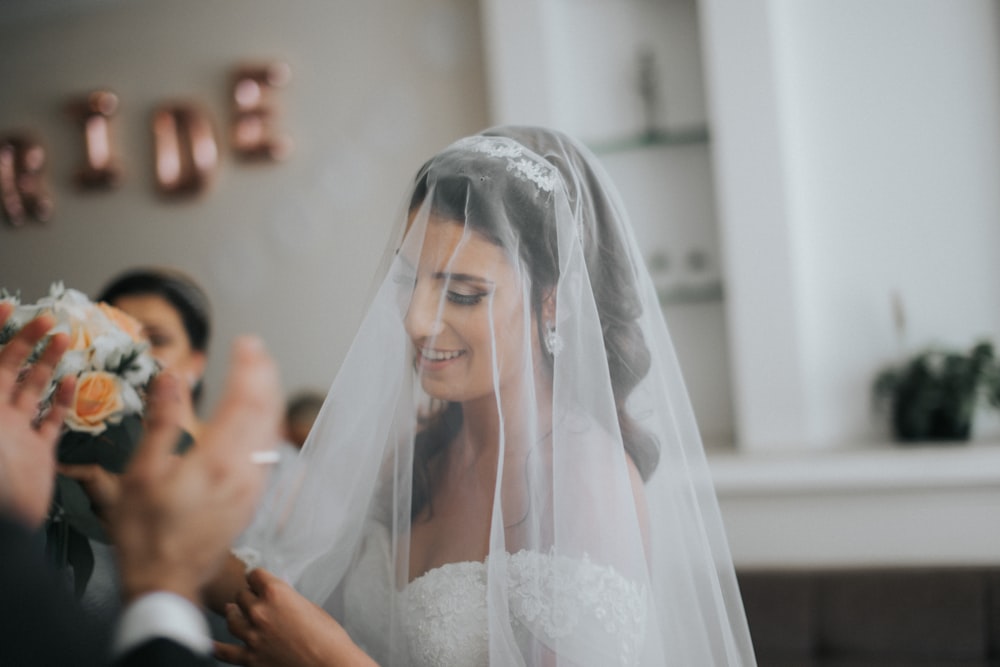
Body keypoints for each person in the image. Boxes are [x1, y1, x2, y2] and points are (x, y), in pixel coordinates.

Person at [214, 126, 756, 665]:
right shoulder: (419, 455)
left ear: (553, 303)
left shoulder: (588, 486)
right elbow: (295, 610)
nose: (416, 319)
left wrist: (328, 661)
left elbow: (319, 645)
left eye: (464, 294)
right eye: (409, 281)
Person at [0, 301, 284, 666]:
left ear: (198, 360)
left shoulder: (232, 474)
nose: (140, 354)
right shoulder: (48, 474)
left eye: (155, 338)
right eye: (122, 338)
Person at [97, 267, 212, 441]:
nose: (135, 353)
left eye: (158, 340)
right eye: (120, 337)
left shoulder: (232, 457)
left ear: (196, 362)